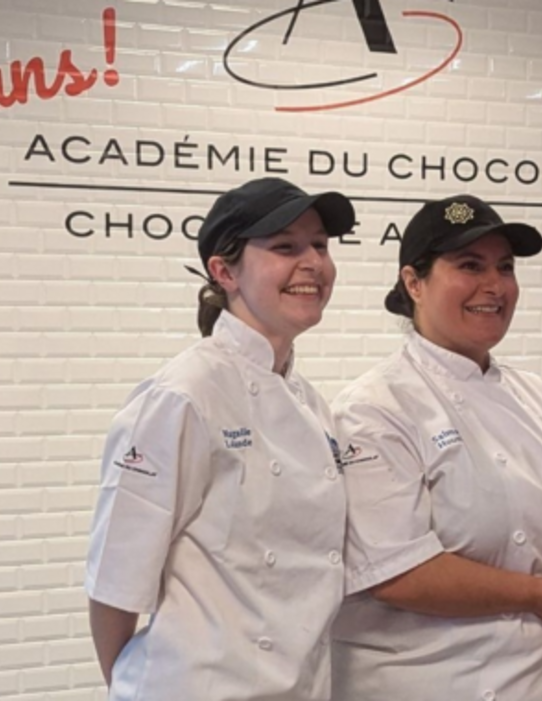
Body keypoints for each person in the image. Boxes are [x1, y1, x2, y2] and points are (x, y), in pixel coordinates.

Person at [330, 195, 542, 701]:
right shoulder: (375, 408)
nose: (495, 285)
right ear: (413, 283)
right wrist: (538, 594)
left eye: (505, 267)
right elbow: (397, 572)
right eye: (469, 265)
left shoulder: (541, 397)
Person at [84, 177, 356, 700]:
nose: (313, 263)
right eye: (285, 247)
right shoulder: (183, 396)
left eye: (319, 245)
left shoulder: (309, 402)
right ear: (224, 271)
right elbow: (115, 583)